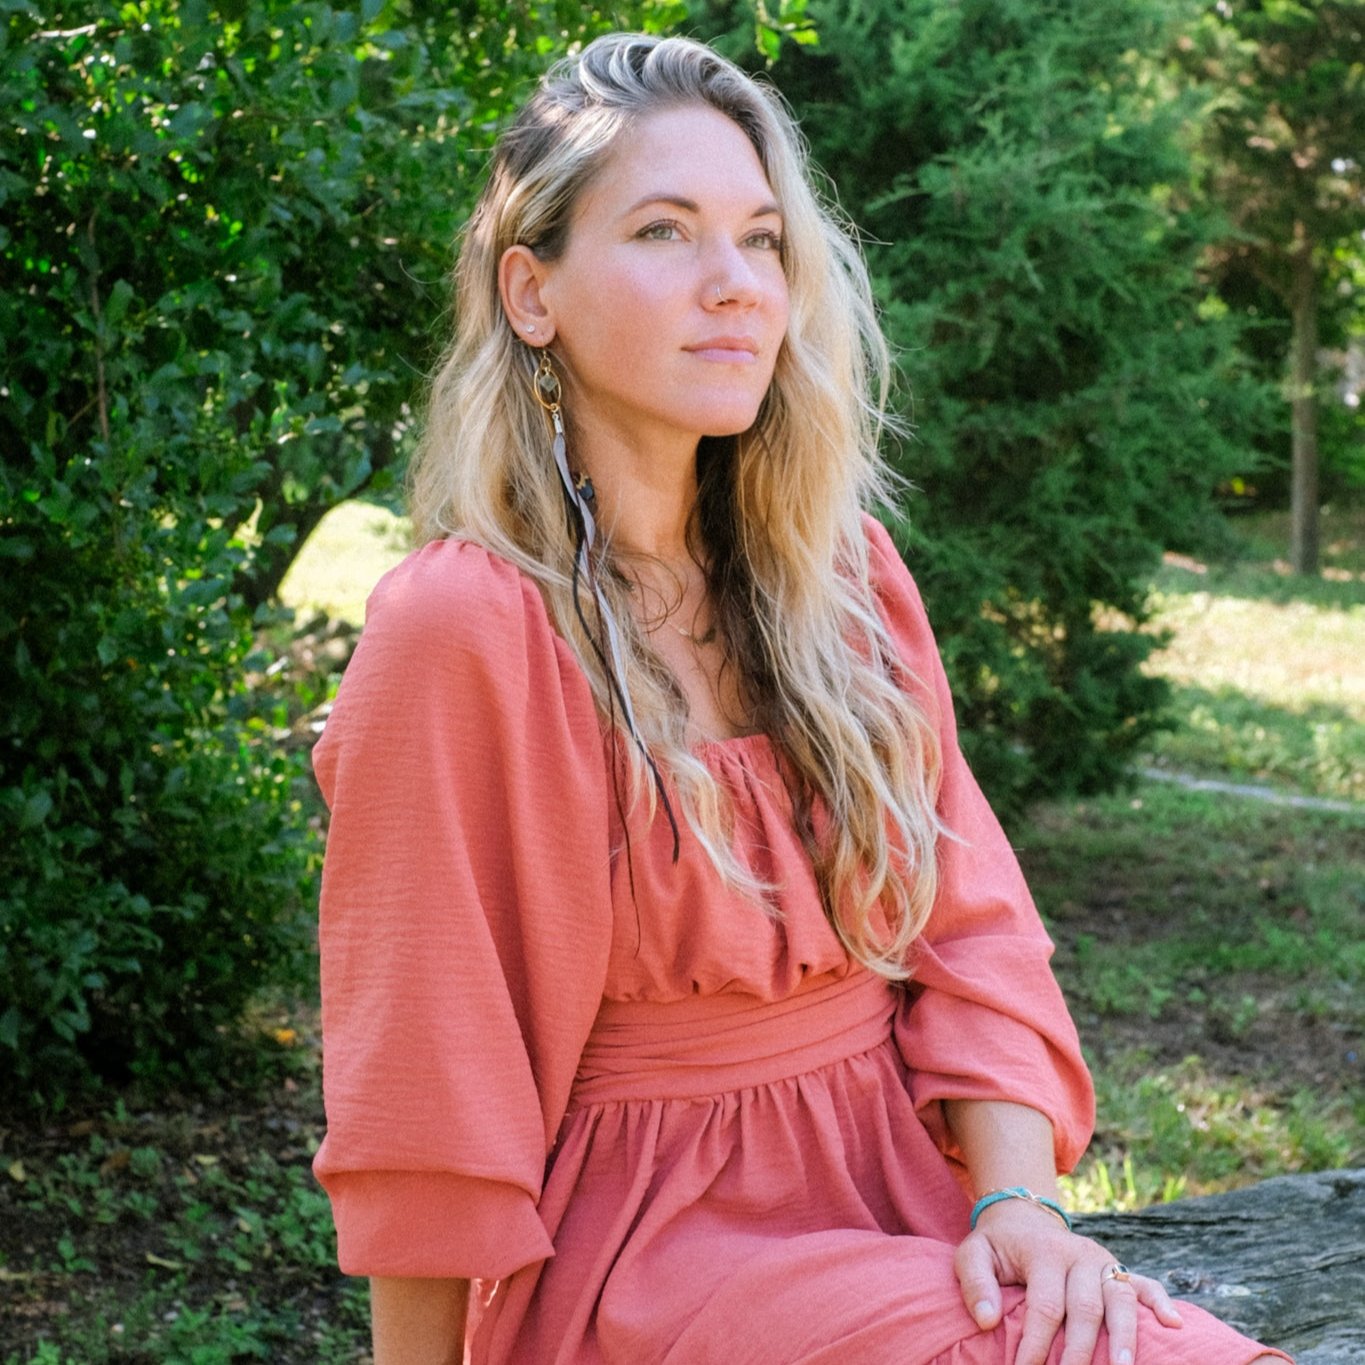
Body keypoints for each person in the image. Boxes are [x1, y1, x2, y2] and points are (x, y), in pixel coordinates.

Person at [311, 32, 1292, 1365]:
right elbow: (427, 1090)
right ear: (529, 294)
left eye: (762, 240)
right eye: (664, 232)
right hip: (654, 1261)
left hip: (904, 1201)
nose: (733, 288)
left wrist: (1020, 1205)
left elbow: (970, 929)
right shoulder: (463, 627)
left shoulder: (838, 579)